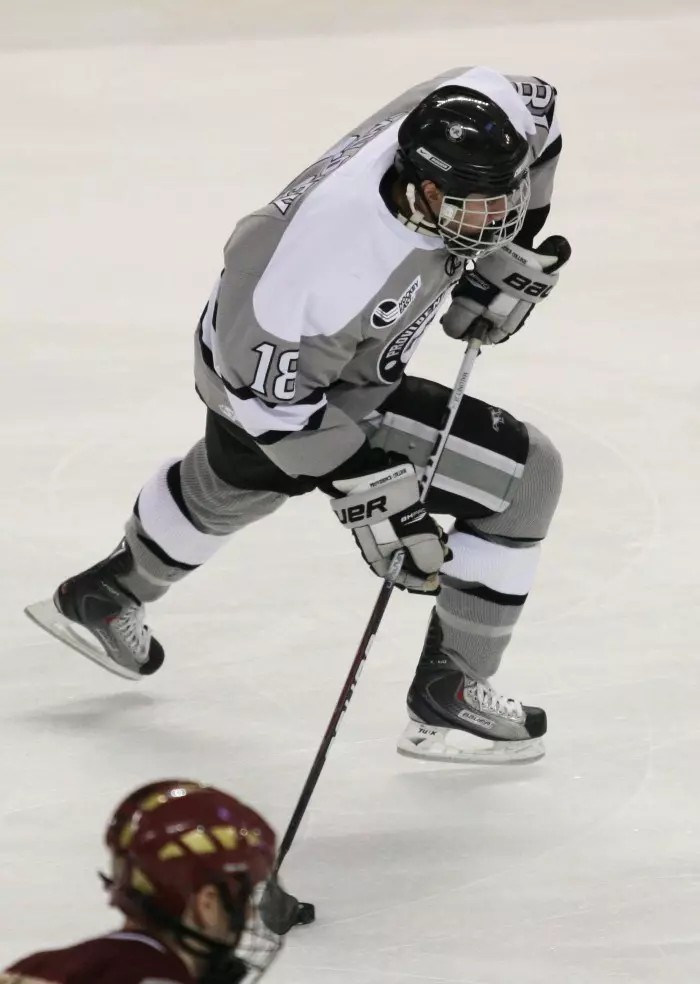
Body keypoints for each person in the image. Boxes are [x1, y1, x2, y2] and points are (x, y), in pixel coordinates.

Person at [26, 65, 568, 764]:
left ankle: (102, 596)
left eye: (505, 200)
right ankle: (452, 694)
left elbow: (542, 115)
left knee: (237, 480)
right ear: (426, 188)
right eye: (477, 208)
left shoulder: (489, 106)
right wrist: (376, 494)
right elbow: (276, 416)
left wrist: (509, 251)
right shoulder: (317, 267)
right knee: (525, 477)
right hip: (284, 386)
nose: (496, 218)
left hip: (269, 361)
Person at [1, 779, 282, 983]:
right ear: (206, 903)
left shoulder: (35, 967)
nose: (249, 913)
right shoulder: (159, 977)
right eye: (243, 896)